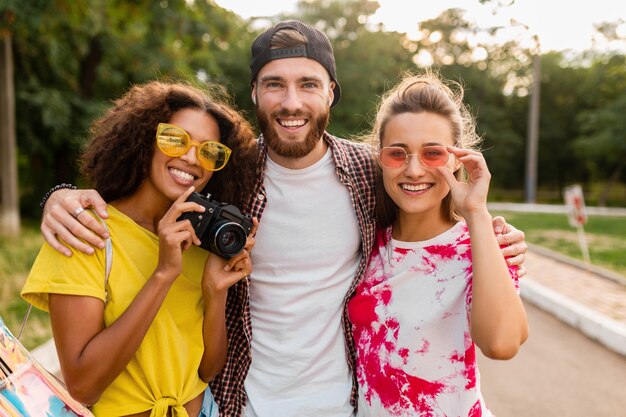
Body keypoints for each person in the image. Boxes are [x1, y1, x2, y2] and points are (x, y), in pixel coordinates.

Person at [38, 21, 528, 417]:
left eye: (308, 84)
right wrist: (60, 196)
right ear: (255, 93)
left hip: (345, 404)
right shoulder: (227, 174)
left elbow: (426, 192)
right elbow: (147, 190)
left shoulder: (367, 170)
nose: (291, 102)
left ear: (331, 93)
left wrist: (487, 228)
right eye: (275, 84)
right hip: (238, 404)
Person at [21, 80, 258, 417]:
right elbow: (84, 384)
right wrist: (164, 274)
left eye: (210, 151)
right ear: (145, 140)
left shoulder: (200, 243)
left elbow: (206, 371)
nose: (192, 157)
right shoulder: (86, 231)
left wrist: (214, 291)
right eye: (175, 140)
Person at [348, 72, 528, 416]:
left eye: (432, 153)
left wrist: (476, 212)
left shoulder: (482, 246)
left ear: (457, 159)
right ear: (380, 159)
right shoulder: (367, 242)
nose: (414, 170)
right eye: (397, 154)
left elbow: (502, 344)